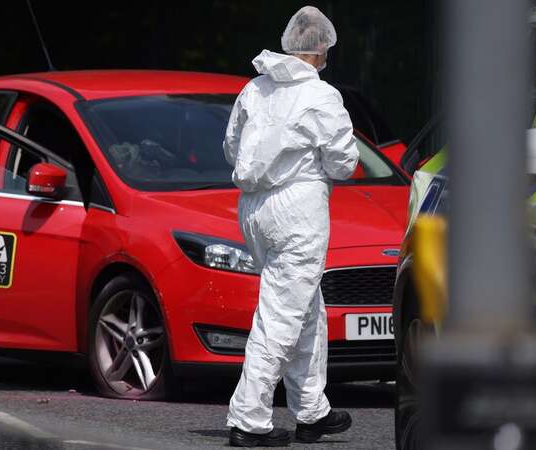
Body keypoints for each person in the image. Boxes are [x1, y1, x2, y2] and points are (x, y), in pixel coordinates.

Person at [223, 5, 360, 448]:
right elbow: (343, 163)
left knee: (304, 308)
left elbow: (231, 147)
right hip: (298, 210)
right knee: (282, 315)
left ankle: (311, 410)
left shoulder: (254, 89)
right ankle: (248, 419)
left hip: (254, 208)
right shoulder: (321, 97)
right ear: (322, 51)